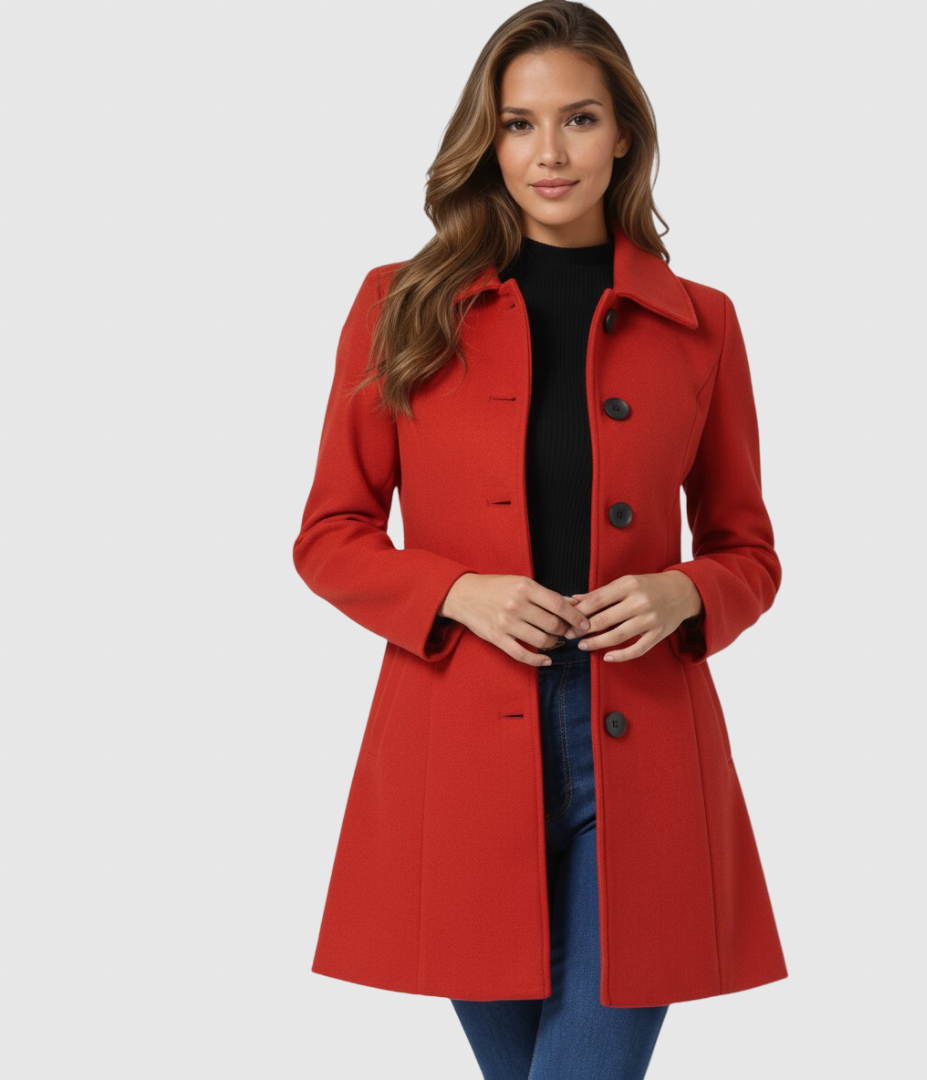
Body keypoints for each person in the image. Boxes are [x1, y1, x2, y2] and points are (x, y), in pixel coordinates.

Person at [292, 3, 786, 1078]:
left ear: (624, 135)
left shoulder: (701, 322)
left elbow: (749, 550)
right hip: (460, 754)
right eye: (519, 123)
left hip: (644, 748)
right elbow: (329, 535)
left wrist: (685, 593)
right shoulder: (401, 305)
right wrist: (456, 591)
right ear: (490, 139)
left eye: (579, 119)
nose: (549, 152)